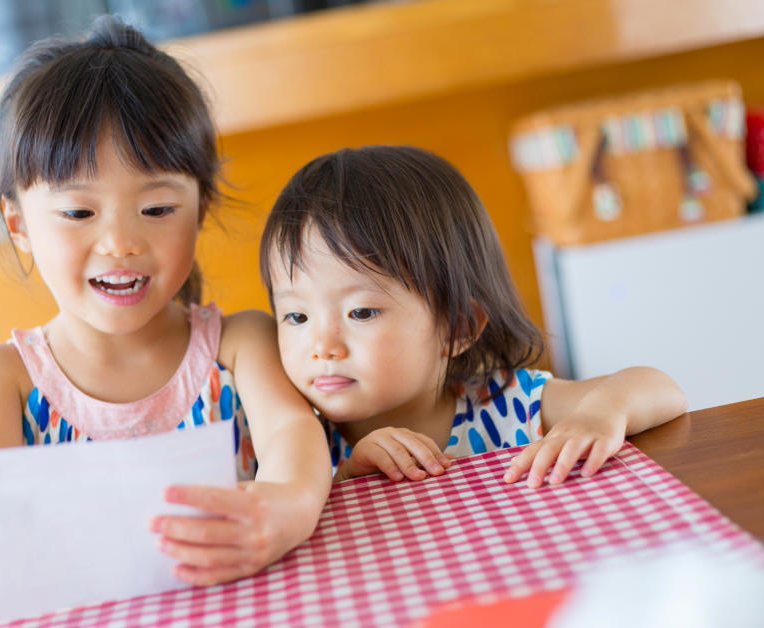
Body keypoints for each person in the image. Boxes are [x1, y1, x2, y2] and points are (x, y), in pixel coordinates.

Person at [0, 16, 331, 586]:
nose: (121, 243)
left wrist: (284, 509)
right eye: (79, 212)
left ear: (200, 209)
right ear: (18, 223)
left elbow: (296, 439)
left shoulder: (241, 345)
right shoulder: (2, 379)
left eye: (156, 210)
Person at [258, 146, 687, 487]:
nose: (323, 347)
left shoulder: (507, 407)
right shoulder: (293, 441)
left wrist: (600, 414)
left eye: (361, 312)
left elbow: (663, 391)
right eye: (296, 317)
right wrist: (351, 477)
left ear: (458, 326)